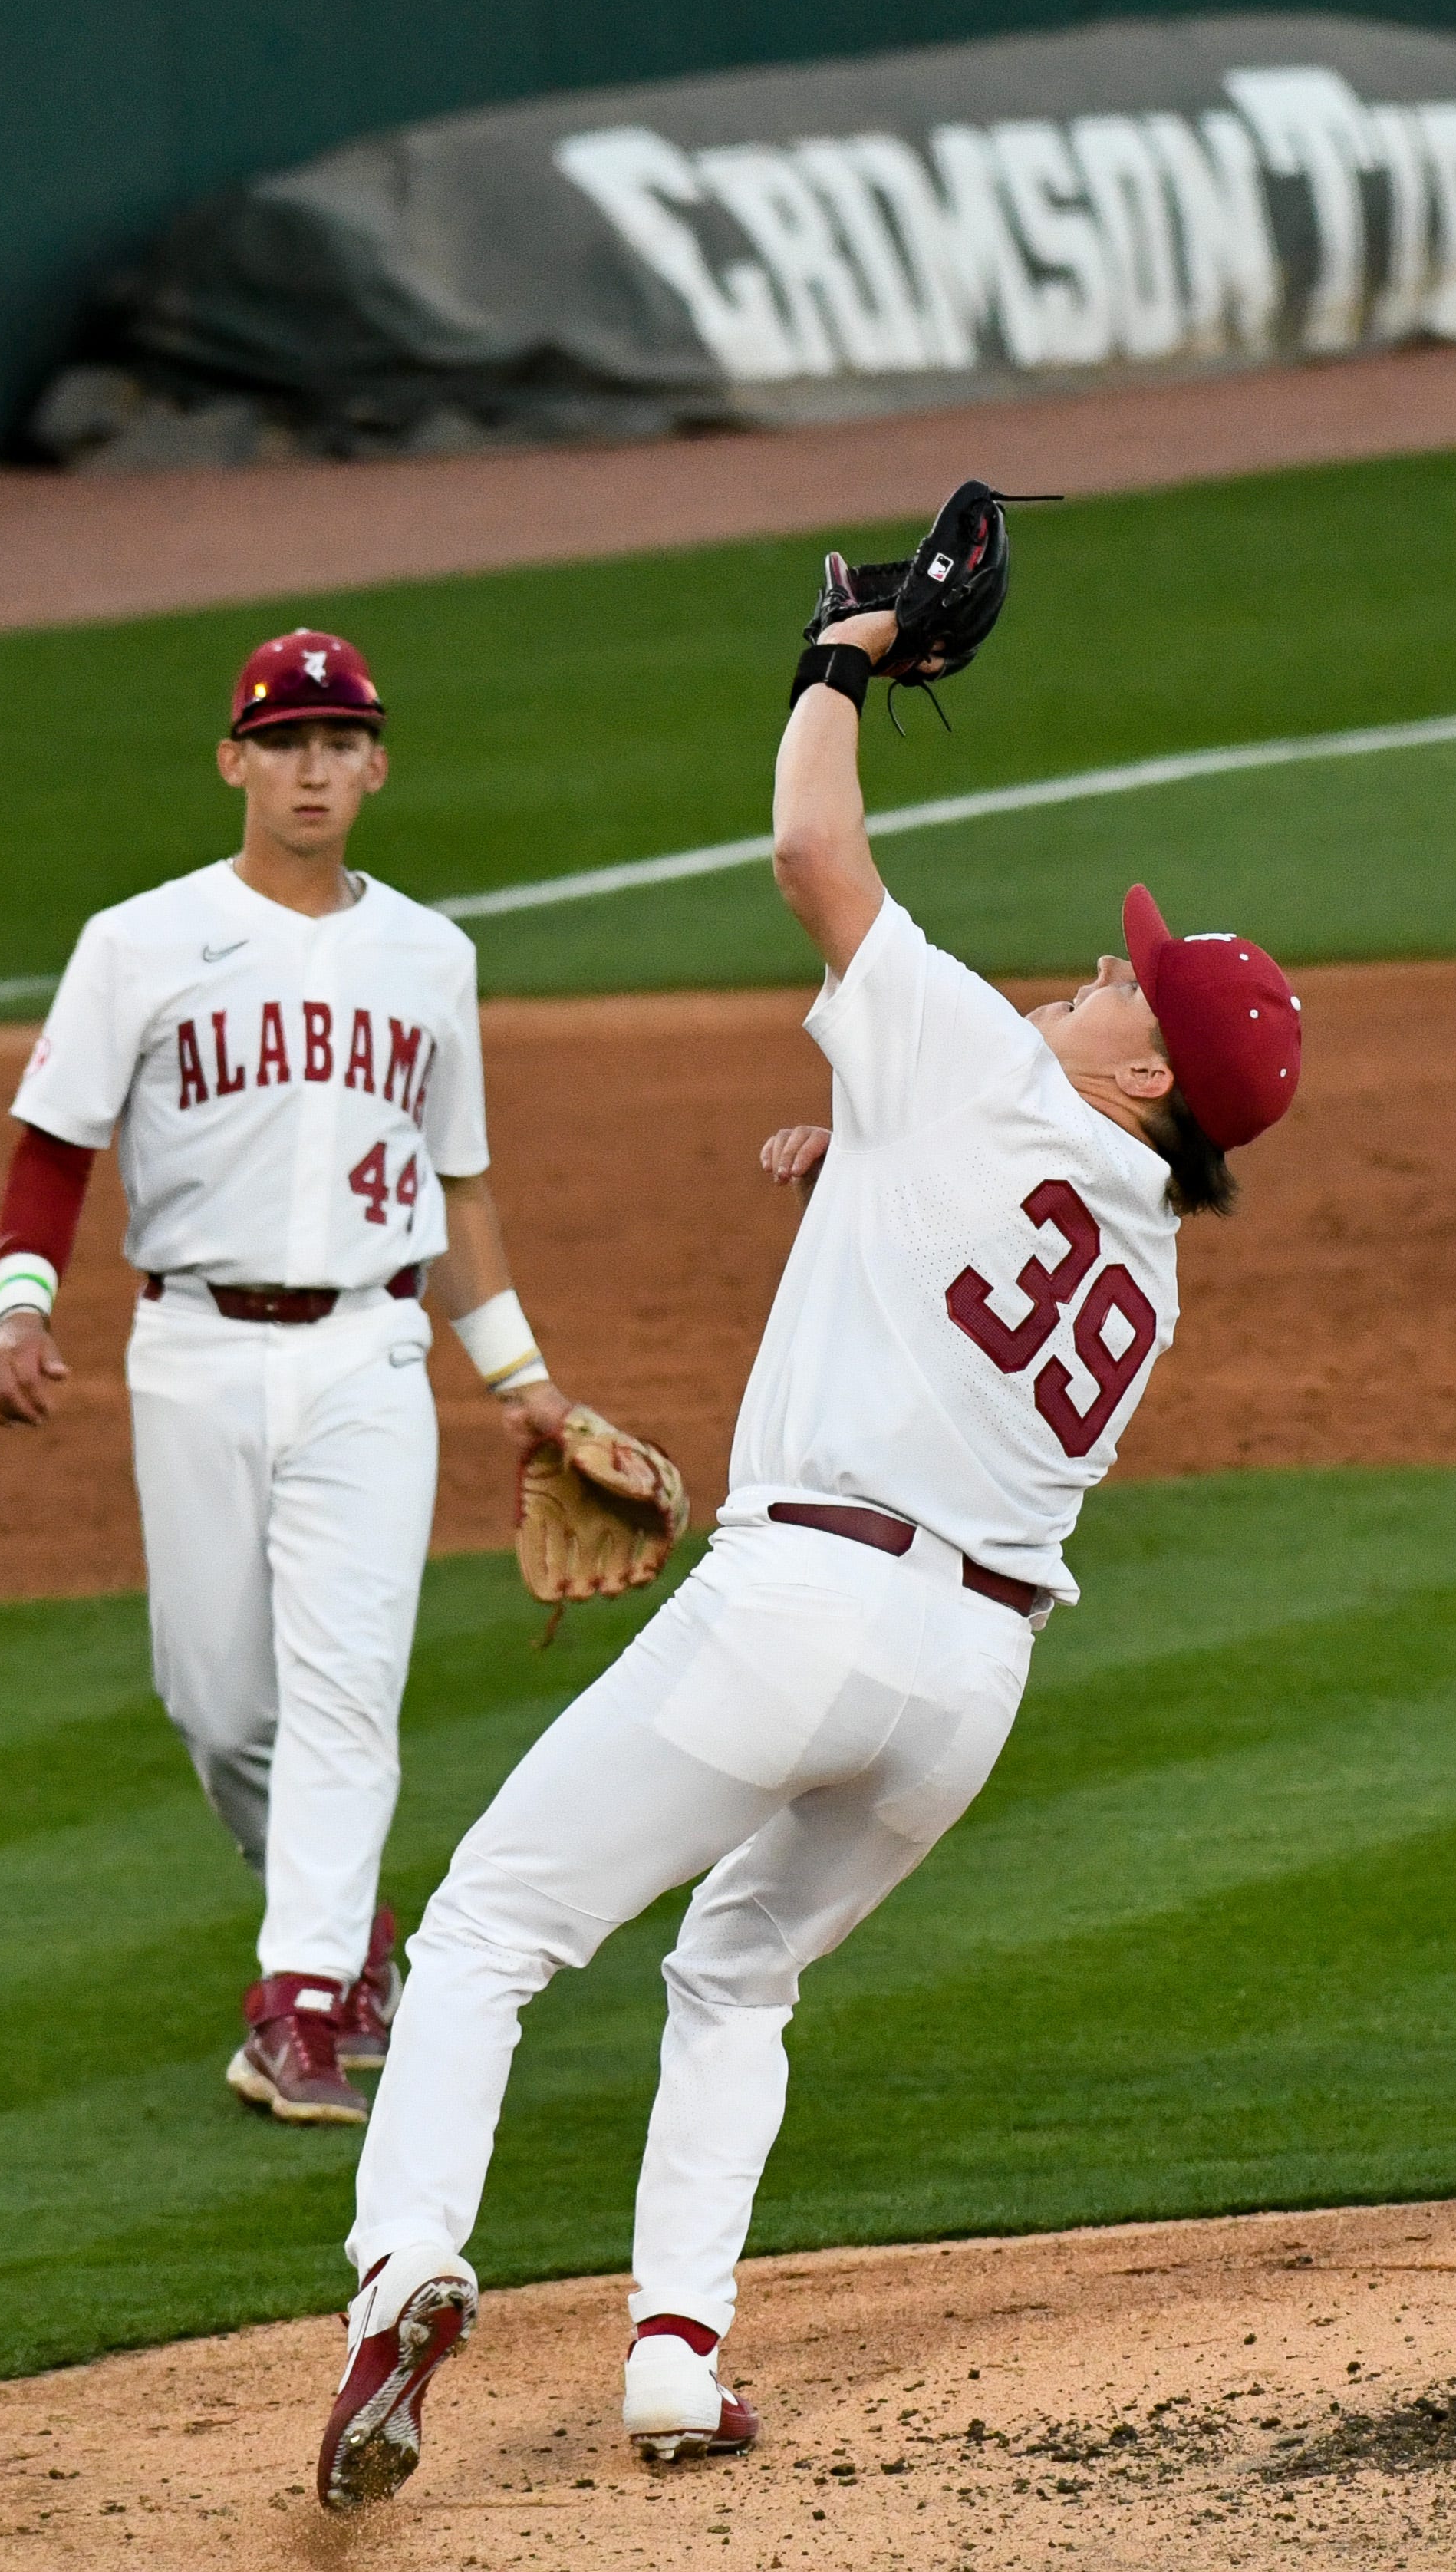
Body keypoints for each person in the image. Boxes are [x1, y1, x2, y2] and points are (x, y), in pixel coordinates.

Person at [312, 588, 1303, 2506]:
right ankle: (677, 2358)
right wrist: (853, 1146)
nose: (1087, 977)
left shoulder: (983, 1071)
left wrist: (842, 660)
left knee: (489, 1931)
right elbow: (961, 1247)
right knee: (738, 1972)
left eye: (1120, 987)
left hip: (802, 1605)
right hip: (966, 1686)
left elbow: (809, 850)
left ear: (1144, 1077)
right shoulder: (1147, 1257)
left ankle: (404, 2270)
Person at [0, 628, 569, 2127]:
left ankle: (299, 2004)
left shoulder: (434, 957)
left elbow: (464, 1185)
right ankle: (347, 1932)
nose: (312, 767)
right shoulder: (140, 940)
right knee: (222, 1703)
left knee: (346, 1690)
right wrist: (18, 1307)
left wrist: (523, 1382)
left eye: (337, 741)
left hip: (371, 1352)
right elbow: (55, 1143)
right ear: (234, 760)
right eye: (283, 739)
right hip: (192, 1350)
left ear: (375, 765)